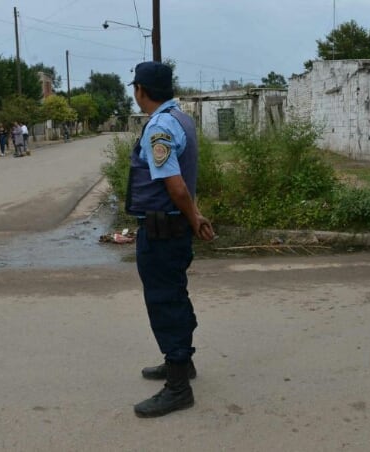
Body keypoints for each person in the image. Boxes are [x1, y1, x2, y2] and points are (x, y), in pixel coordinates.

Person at [125, 61, 215, 418]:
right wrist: (194, 218)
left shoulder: (159, 126)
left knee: (165, 303)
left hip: (163, 232)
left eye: (135, 88)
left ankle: (178, 387)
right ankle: (181, 363)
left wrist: (194, 218)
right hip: (172, 229)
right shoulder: (181, 117)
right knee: (174, 296)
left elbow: (175, 186)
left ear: (141, 90)